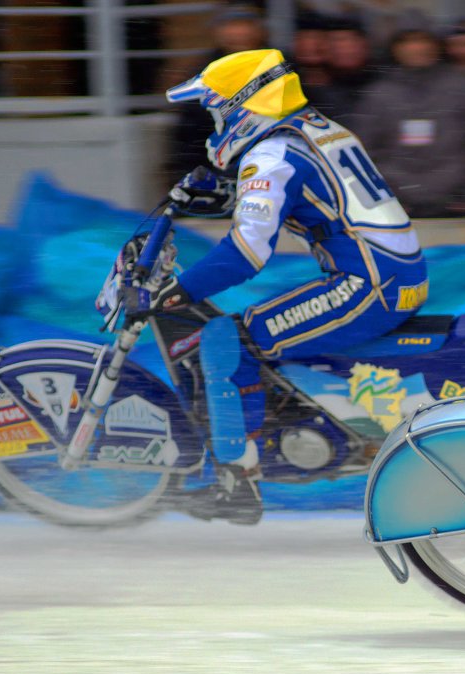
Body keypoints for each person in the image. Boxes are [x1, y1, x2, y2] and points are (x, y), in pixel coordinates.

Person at [142, 49, 427, 525]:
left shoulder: (270, 155)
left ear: (242, 105)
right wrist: (226, 196)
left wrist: (178, 291)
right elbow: (305, 195)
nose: (214, 121)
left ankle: (236, 481)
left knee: (223, 338)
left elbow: (247, 254)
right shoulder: (316, 128)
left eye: (217, 109)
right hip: (397, 273)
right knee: (257, 330)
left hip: (367, 284)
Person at [352, 11, 465, 217]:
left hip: (456, 211)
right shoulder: (378, 95)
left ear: (436, 45)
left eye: (423, 40)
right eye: (407, 41)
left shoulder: (463, 88)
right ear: (395, 48)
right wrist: (382, 200)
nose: (416, 48)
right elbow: (360, 156)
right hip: (397, 213)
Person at [165, 4, 267, 177]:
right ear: (217, 32)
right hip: (223, 175)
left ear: (259, 30)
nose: (239, 33)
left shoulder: (279, 68)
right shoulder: (202, 77)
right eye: (232, 25)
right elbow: (189, 140)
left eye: (245, 24)